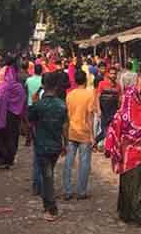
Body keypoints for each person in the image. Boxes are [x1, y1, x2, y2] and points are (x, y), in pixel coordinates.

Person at [104, 72, 141, 225]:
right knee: (139, 186)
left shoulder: (120, 114)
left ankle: (124, 212)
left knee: (126, 184)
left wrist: (112, 150)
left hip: (125, 157)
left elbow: (113, 133)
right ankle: (135, 215)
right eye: (139, 83)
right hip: (140, 155)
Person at [28, 73, 68, 222]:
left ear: (43, 86)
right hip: (56, 145)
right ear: (56, 86)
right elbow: (65, 126)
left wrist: (33, 103)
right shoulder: (62, 105)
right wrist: (66, 143)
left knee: (47, 176)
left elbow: (30, 121)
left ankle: (51, 208)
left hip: (42, 145)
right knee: (48, 174)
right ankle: (48, 205)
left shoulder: (38, 105)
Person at [63, 70, 96, 200]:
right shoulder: (89, 95)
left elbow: (67, 116)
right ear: (86, 80)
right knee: (84, 163)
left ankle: (67, 190)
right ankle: (81, 191)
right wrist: (92, 135)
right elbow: (90, 116)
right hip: (84, 133)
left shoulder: (69, 95)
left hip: (72, 131)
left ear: (75, 81)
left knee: (68, 163)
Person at [0, 57, 27, 169]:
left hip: (2, 116)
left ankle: (0, 159)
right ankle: (9, 161)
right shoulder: (19, 87)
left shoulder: (4, 86)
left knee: (1, 137)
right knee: (12, 138)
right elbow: (23, 102)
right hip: (14, 117)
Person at [94, 66, 120, 147]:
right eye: (111, 73)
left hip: (113, 112)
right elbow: (97, 97)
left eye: (115, 74)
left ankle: (108, 146)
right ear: (108, 74)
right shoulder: (102, 84)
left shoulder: (118, 86)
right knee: (105, 131)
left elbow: (120, 99)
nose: (113, 75)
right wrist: (98, 109)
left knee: (111, 130)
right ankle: (95, 141)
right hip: (104, 112)